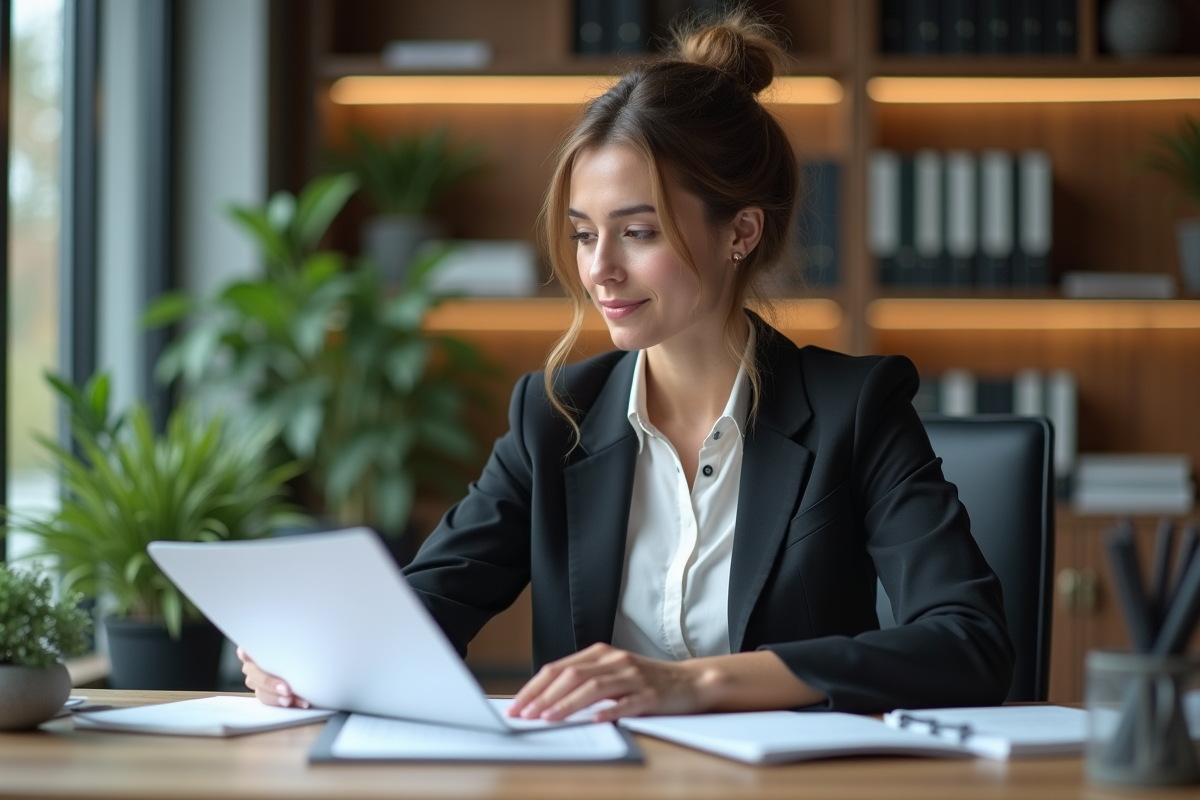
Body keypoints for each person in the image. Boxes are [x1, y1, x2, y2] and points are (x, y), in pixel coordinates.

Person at [240, 9, 1014, 722]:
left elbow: (969, 645)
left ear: (741, 232)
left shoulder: (856, 407)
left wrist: (696, 682)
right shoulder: (553, 416)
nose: (599, 270)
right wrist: (311, 654)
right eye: (583, 234)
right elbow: (428, 607)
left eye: (636, 232)